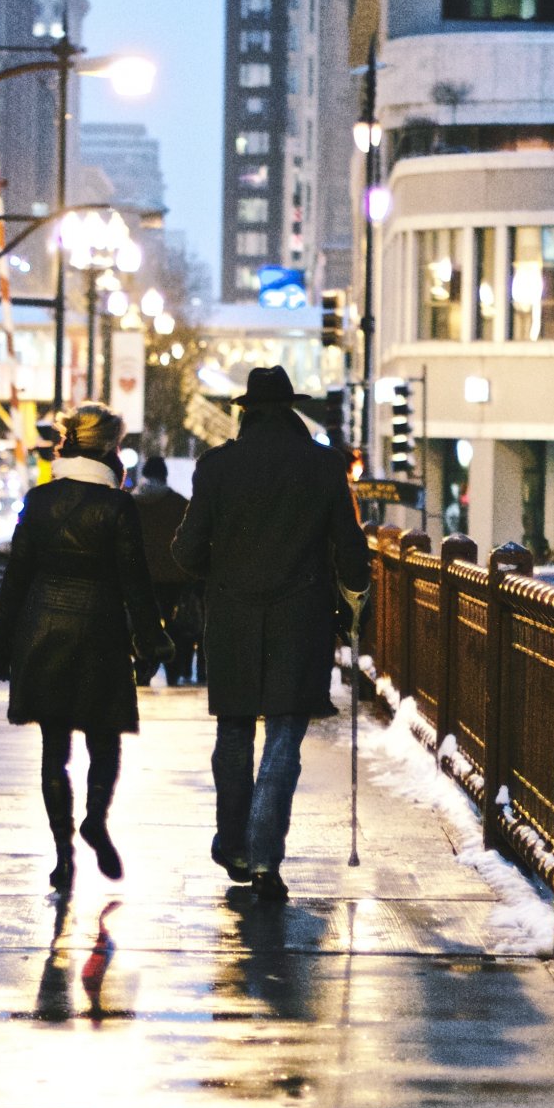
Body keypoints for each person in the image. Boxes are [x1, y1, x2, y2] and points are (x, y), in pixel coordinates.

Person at [172, 366, 372, 903]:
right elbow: (351, 550)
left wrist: (224, 567)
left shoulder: (216, 468)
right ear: (290, 410)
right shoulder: (323, 467)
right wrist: (356, 596)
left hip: (233, 619)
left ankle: (233, 843)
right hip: (300, 617)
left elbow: (187, 552)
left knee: (233, 732)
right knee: (284, 736)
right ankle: (264, 859)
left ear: (244, 412)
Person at [0, 404, 173, 892]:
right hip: (101, 633)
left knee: (54, 748)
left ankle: (63, 855)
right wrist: (151, 641)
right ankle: (94, 819)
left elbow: (16, 576)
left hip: (43, 630)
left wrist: (0, 639)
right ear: (111, 449)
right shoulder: (117, 507)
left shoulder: (39, 500)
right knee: (103, 739)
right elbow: (136, 582)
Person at [130, 456, 200, 685]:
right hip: (173, 576)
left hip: (141, 576)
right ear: (164, 475)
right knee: (174, 626)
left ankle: (142, 667)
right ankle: (173, 671)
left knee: (142, 623)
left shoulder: (131, 504)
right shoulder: (180, 504)